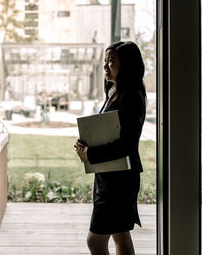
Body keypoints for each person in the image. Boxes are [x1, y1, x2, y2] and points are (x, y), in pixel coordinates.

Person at [75, 41, 146, 255]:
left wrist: (91, 153)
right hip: (110, 175)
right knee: (120, 234)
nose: (106, 66)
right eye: (105, 61)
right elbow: (109, 131)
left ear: (127, 65)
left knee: (95, 242)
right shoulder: (115, 90)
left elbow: (126, 143)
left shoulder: (131, 96)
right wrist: (85, 146)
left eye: (111, 61)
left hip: (120, 180)